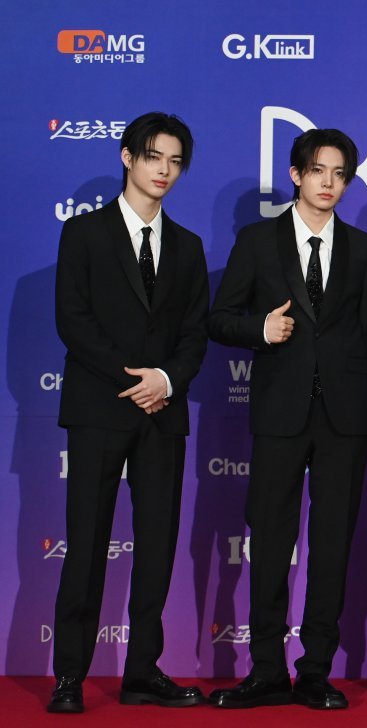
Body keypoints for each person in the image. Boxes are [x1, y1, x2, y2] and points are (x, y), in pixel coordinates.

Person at [207, 128, 367, 710]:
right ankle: (265, 670)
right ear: (296, 175)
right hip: (279, 414)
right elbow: (219, 318)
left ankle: (315, 670)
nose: (328, 183)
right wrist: (260, 329)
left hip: (343, 418)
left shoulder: (363, 249)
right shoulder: (258, 241)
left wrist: (341, 375)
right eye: (318, 171)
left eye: (339, 174)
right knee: (271, 541)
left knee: (331, 545)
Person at [50, 111, 208, 713]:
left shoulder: (188, 246)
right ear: (127, 157)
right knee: (87, 543)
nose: (164, 170)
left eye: (175, 162)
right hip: (100, 409)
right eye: (153, 157)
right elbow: (74, 322)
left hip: (163, 413)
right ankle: (69, 675)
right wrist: (134, 381)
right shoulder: (84, 234)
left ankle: (142, 671)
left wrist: (165, 380)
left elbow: (194, 333)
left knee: (158, 544)